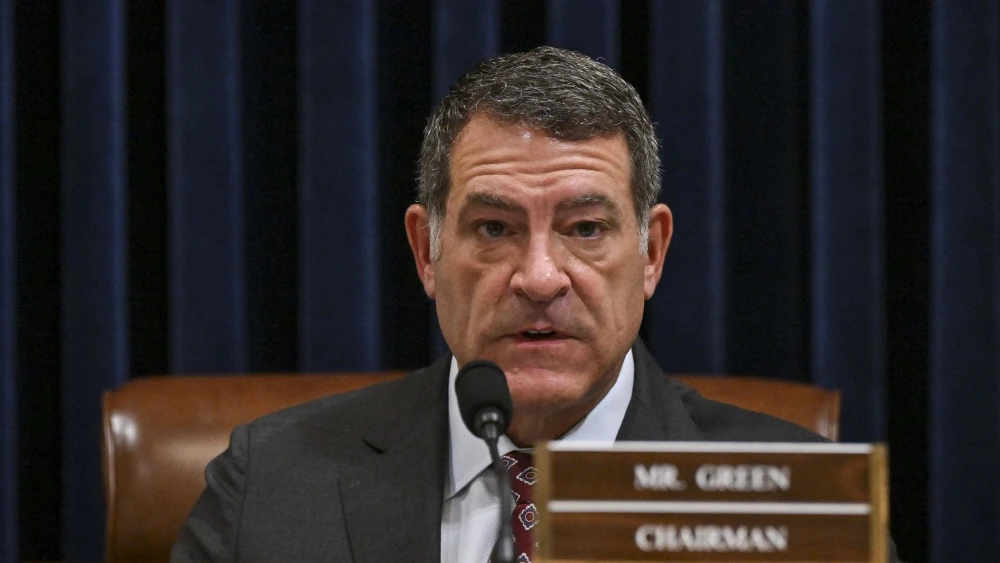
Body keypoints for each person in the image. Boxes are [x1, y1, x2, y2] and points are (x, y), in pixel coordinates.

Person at [172, 46, 899, 563]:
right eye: (494, 228)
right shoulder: (270, 483)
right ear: (427, 252)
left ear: (651, 253)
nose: (541, 276)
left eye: (586, 228)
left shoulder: (794, 509)